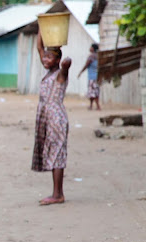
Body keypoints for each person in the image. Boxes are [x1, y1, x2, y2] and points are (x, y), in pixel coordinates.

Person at [32, 30, 71, 206]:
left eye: (49, 58)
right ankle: (57, 193)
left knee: (57, 154)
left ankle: (58, 194)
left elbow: (66, 67)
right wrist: (42, 28)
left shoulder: (60, 75)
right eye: (44, 57)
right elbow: (39, 47)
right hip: (46, 117)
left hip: (56, 118)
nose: (45, 59)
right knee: (52, 152)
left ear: (57, 60)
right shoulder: (48, 72)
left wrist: (66, 65)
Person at [77, 43, 100, 110]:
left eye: (91, 47)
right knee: (95, 91)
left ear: (93, 48)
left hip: (92, 77)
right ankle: (92, 105)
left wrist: (80, 72)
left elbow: (86, 65)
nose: (89, 48)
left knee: (92, 92)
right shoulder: (98, 56)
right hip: (97, 77)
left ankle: (97, 106)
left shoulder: (91, 56)